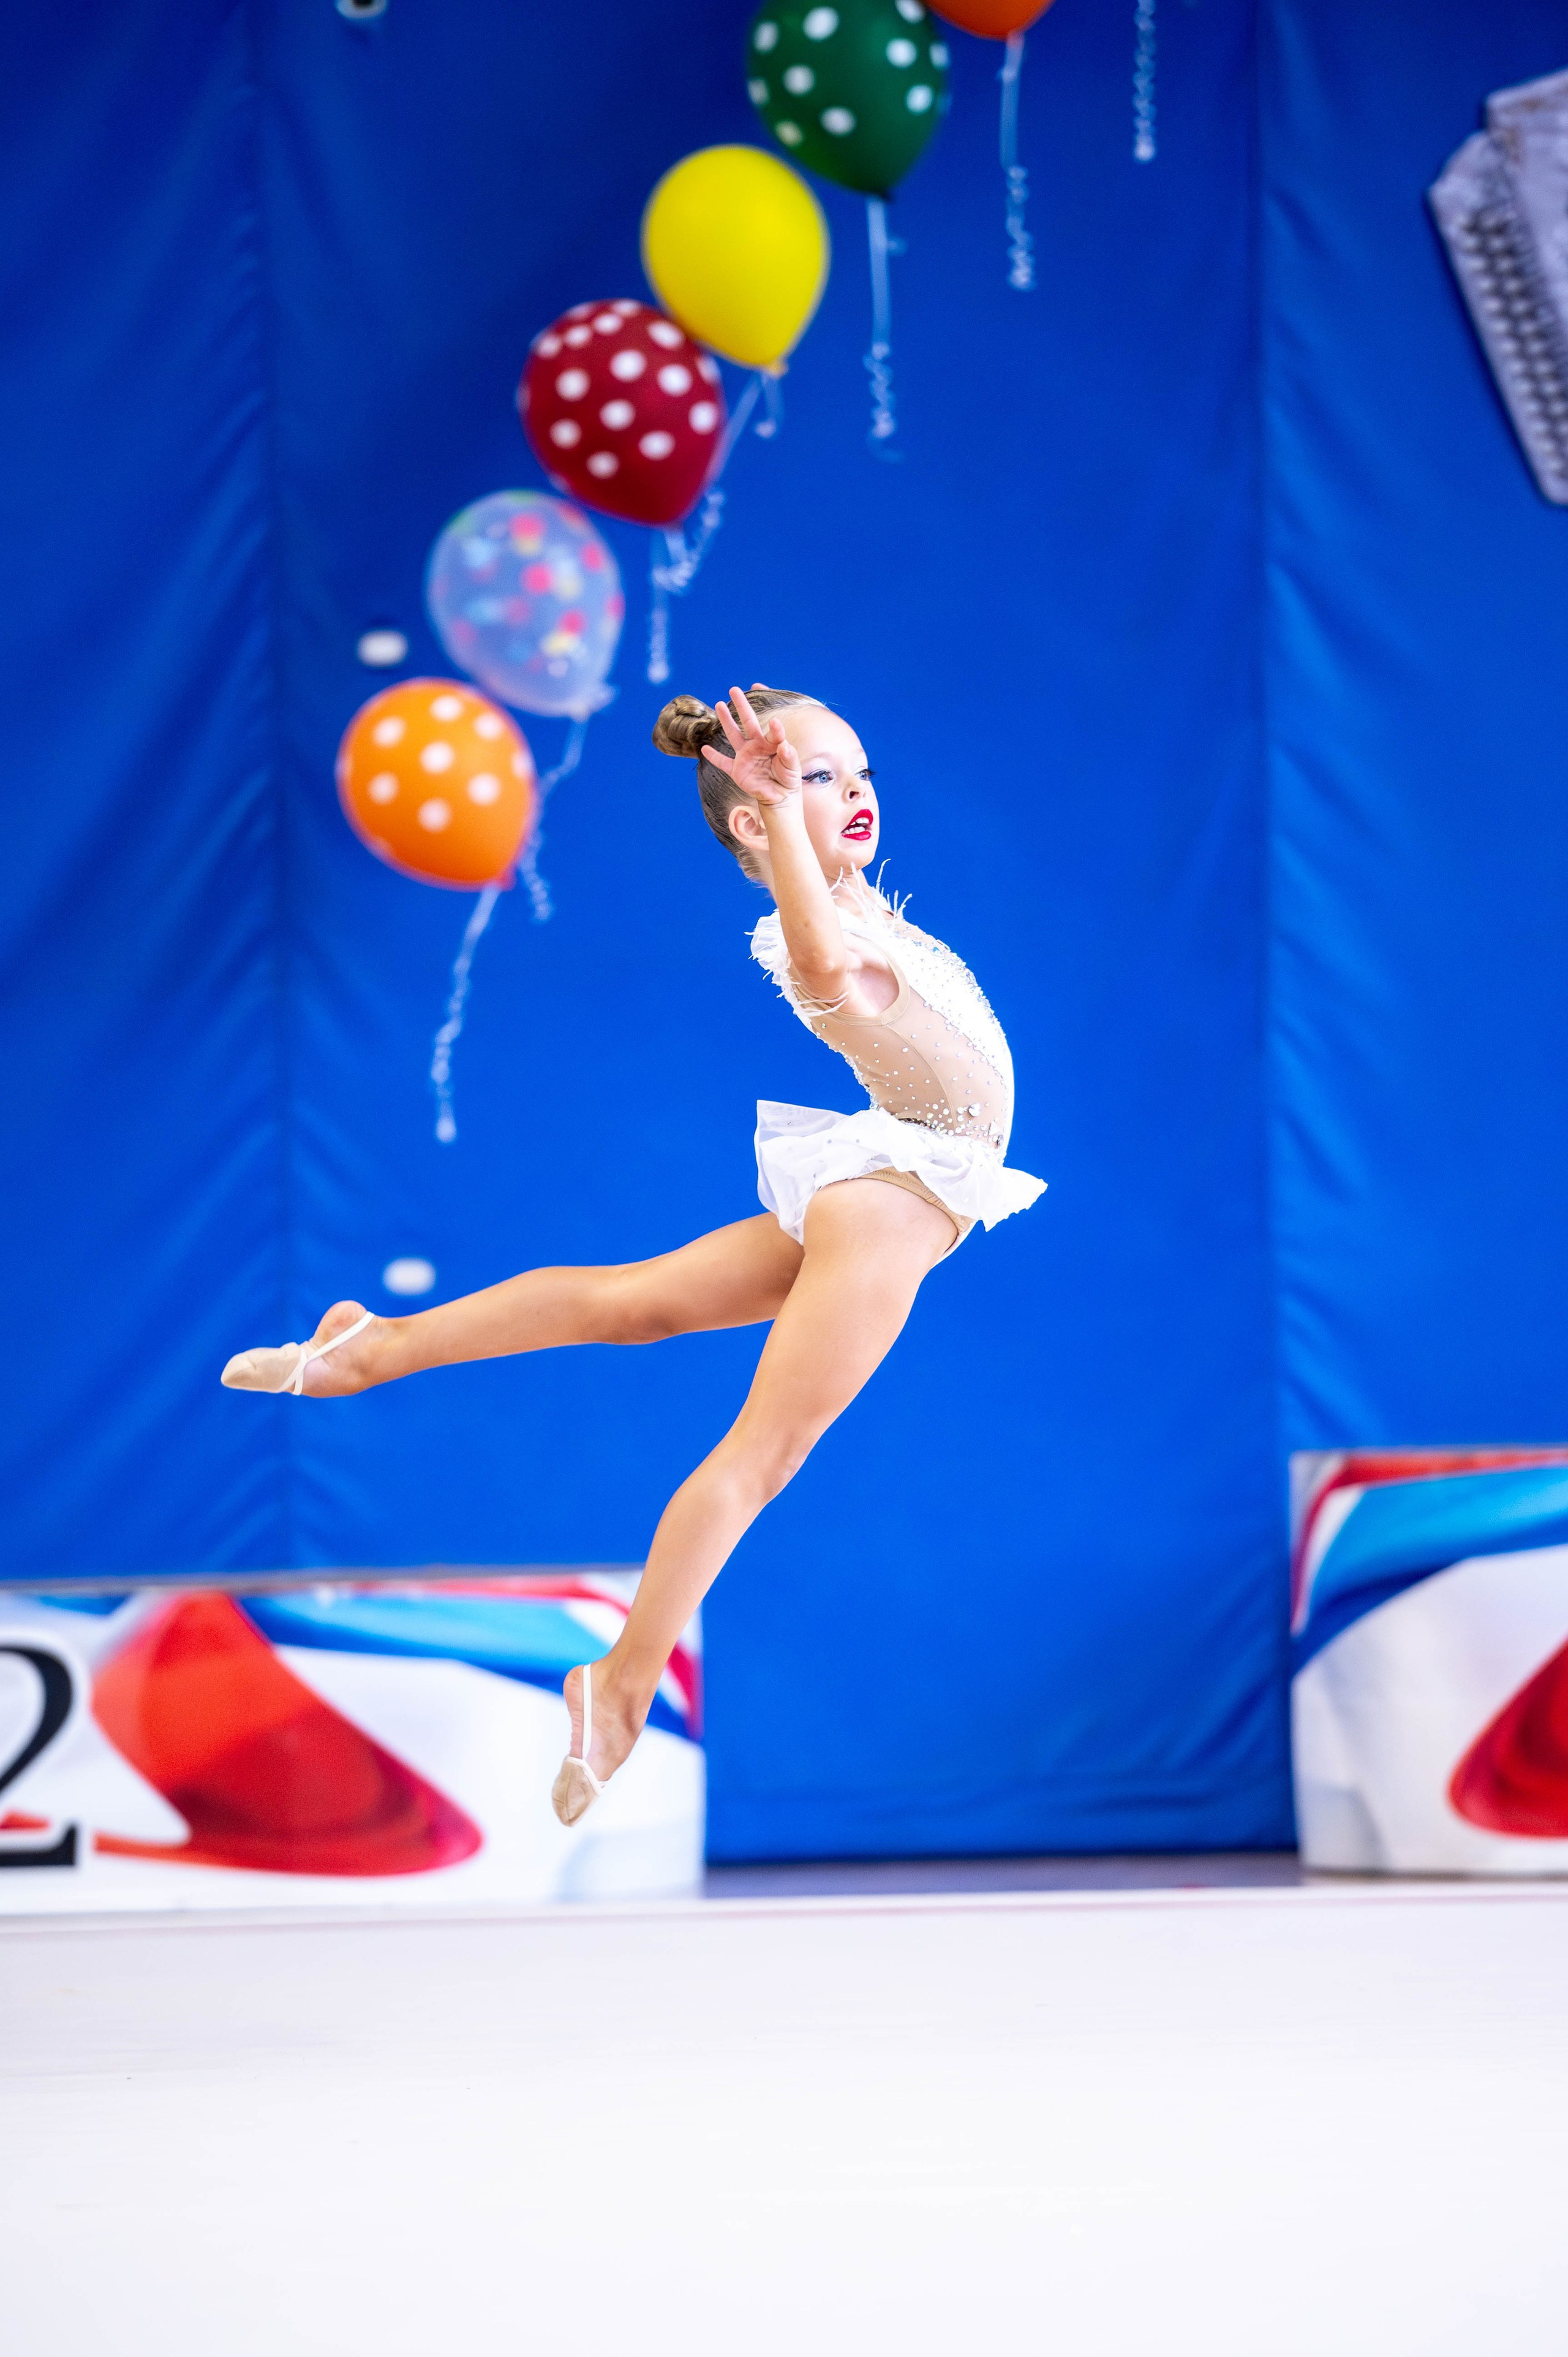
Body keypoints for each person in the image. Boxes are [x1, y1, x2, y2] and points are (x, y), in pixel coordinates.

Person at [221, 686, 1044, 1823]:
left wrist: (789, 811)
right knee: (760, 1456)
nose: (853, 794)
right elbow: (816, 959)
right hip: (897, 1200)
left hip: (891, 1177)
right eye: (816, 779)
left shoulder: (864, 906)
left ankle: (370, 1347)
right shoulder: (824, 931)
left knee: (634, 1302)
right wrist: (769, 806)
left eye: (858, 773)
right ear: (754, 822)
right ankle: (622, 1680)